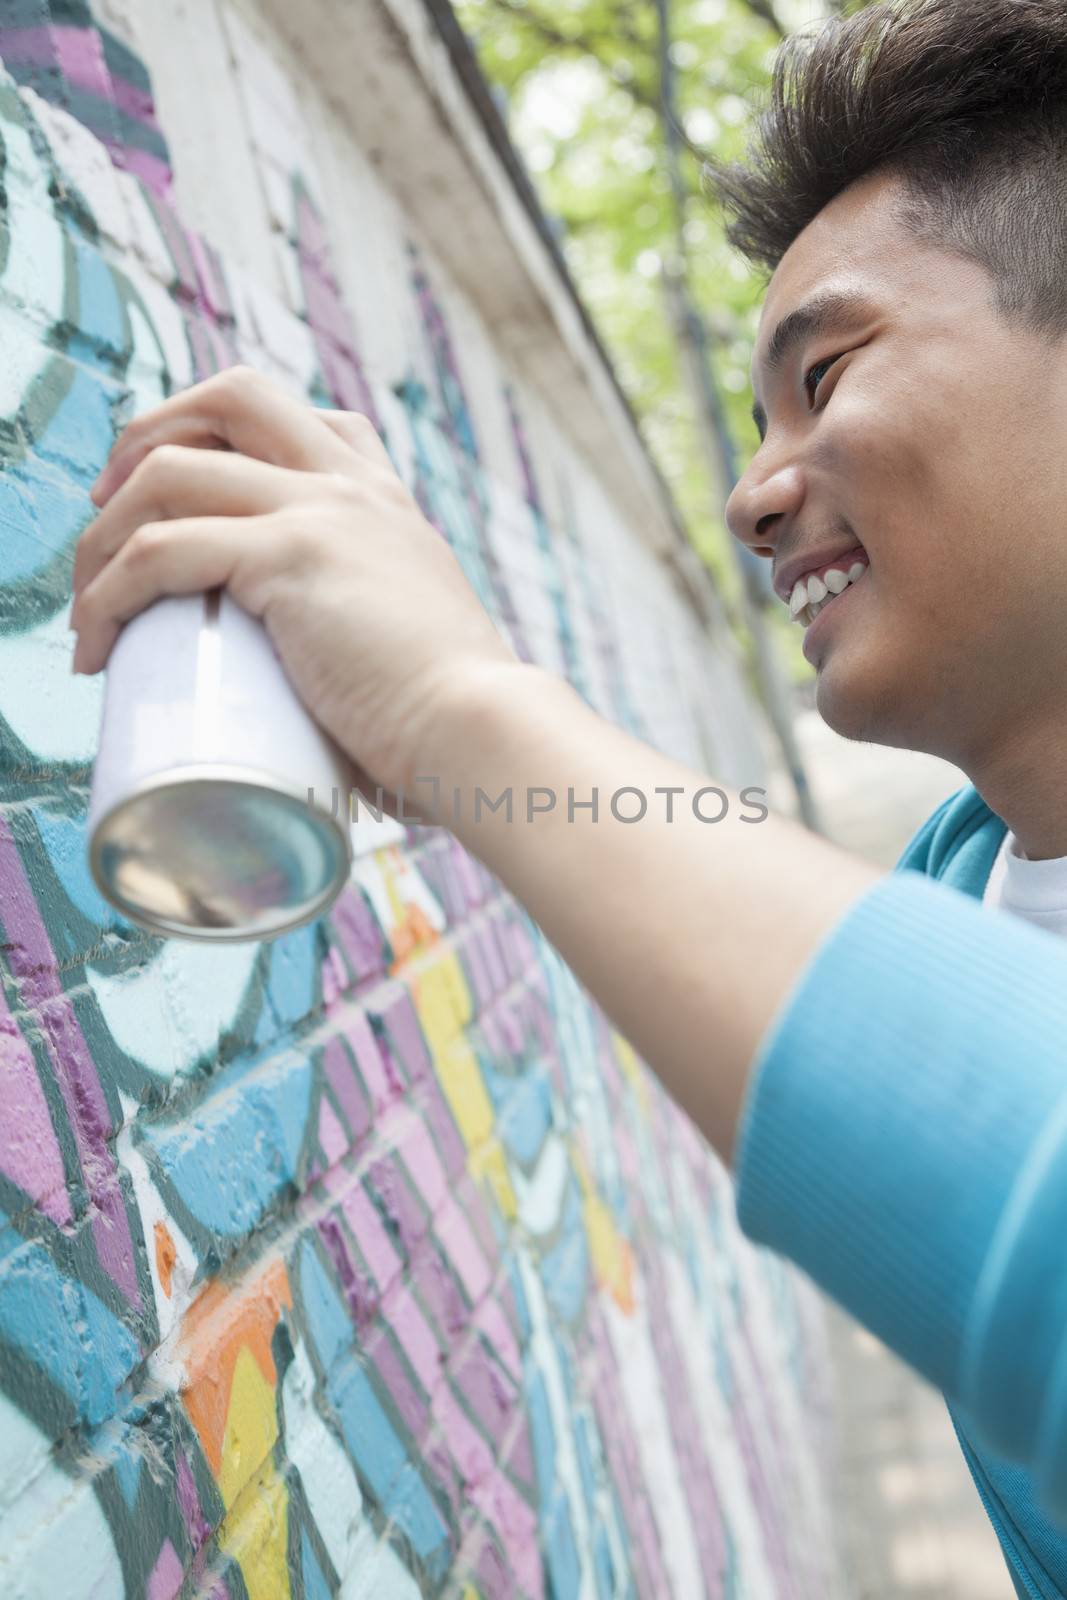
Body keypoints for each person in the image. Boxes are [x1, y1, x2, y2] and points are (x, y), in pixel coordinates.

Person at [67, 0, 1067, 1590]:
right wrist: (451, 731)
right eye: (755, 421)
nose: (750, 493)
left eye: (827, 372)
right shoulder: (961, 877)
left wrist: (467, 705)